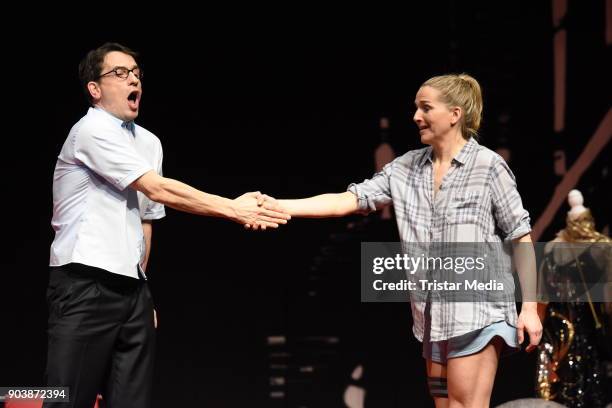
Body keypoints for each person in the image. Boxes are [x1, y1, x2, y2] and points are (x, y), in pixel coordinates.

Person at [259, 73, 543, 407]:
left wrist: (530, 308)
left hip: (479, 312)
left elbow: (520, 235)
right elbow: (346, 201)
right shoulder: (405, 168)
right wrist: (278, 205)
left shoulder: (488, 166)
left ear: (455, 114)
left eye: (425, 108)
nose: (416, 117)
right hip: (433, 320)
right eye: (415, 108)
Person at [45, 42, 290, 408]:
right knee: (66, 400)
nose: (134, 79)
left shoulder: (149, 142)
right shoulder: (90, 130)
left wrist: (139, 286)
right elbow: (158, 188)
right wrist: (232, 209)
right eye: (120, 73)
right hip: (84, 283)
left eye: (137, 73)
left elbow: (146, 217)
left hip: (132, 292)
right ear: (94, 89)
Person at [536, 189, 611, 407]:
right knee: (585, 387)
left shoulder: (551, 249)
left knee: (563, 388)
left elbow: (541, 297)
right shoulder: (603, 247)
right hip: (577, 327)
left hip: (561, 327)